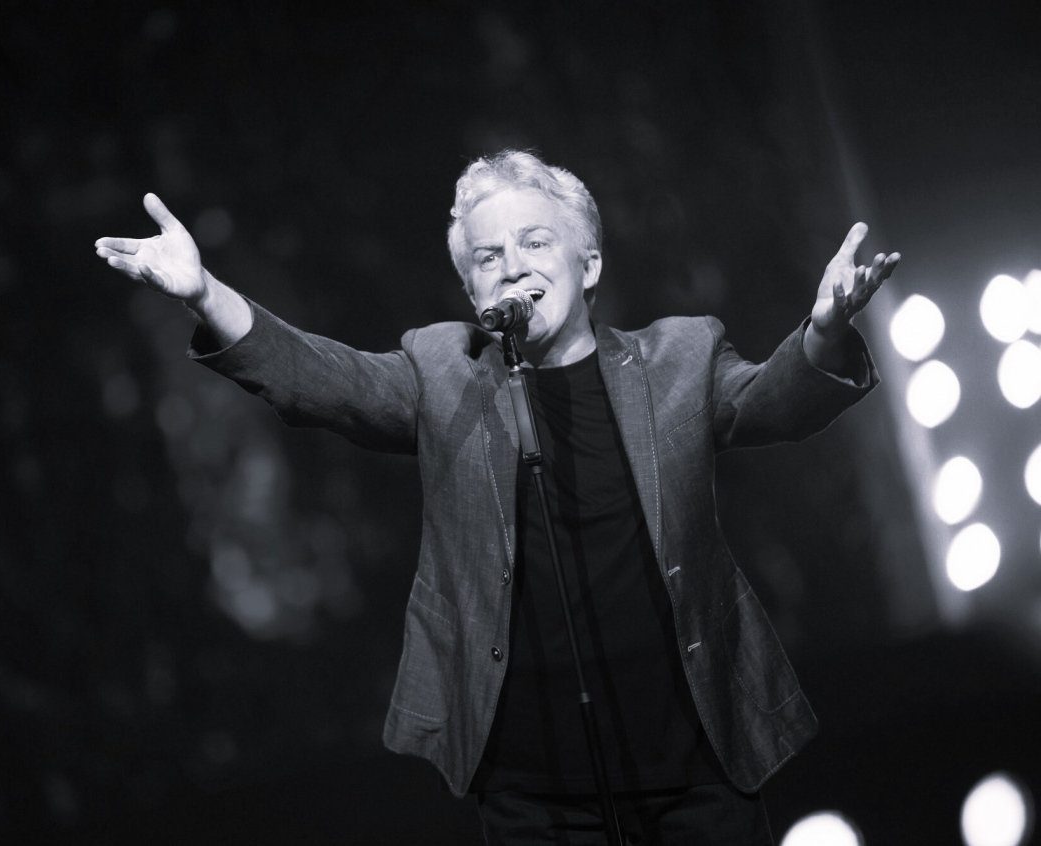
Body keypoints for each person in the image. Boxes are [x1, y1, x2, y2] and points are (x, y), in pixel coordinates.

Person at [95, 150, 899, 845]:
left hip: (695, 765)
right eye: (487, 256)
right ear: (470, 286)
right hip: (536, 788)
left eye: (534, 242)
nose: (511, 265)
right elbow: (320, 378)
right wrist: (205, 294)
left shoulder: (679, 358)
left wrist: (825, 331)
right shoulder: (442, 373)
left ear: (588, 265)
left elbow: (772, 404)